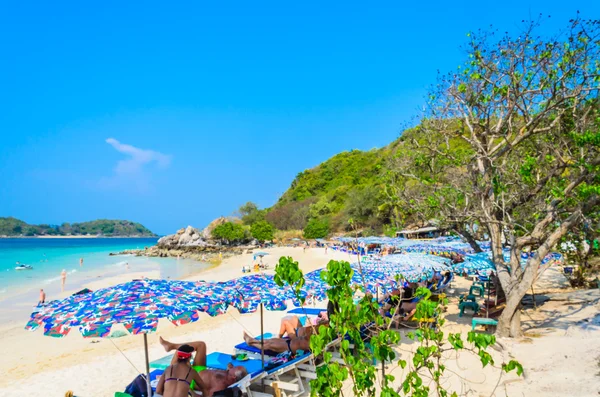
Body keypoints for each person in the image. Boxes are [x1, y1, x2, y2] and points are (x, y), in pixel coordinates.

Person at [158, 337, 248, 397]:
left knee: (182, 353)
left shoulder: (220, 387)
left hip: (188, 378)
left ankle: (171, 347)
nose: (232, 367)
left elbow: (207, 395)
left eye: (234, 368)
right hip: (201, 369)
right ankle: (172, 346)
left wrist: (190, 391)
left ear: (234, 377)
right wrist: (230, 367)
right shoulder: (229, 374)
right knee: (201, 345)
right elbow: (229, 368)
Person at [243, 332, 310, 356]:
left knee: (269, 345)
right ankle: (252, 340)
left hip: (288, 348)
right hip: (288, 341)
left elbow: (301, 352)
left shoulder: (310, 344)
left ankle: (251, 343)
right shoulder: (311, 336)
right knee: (270, 341)